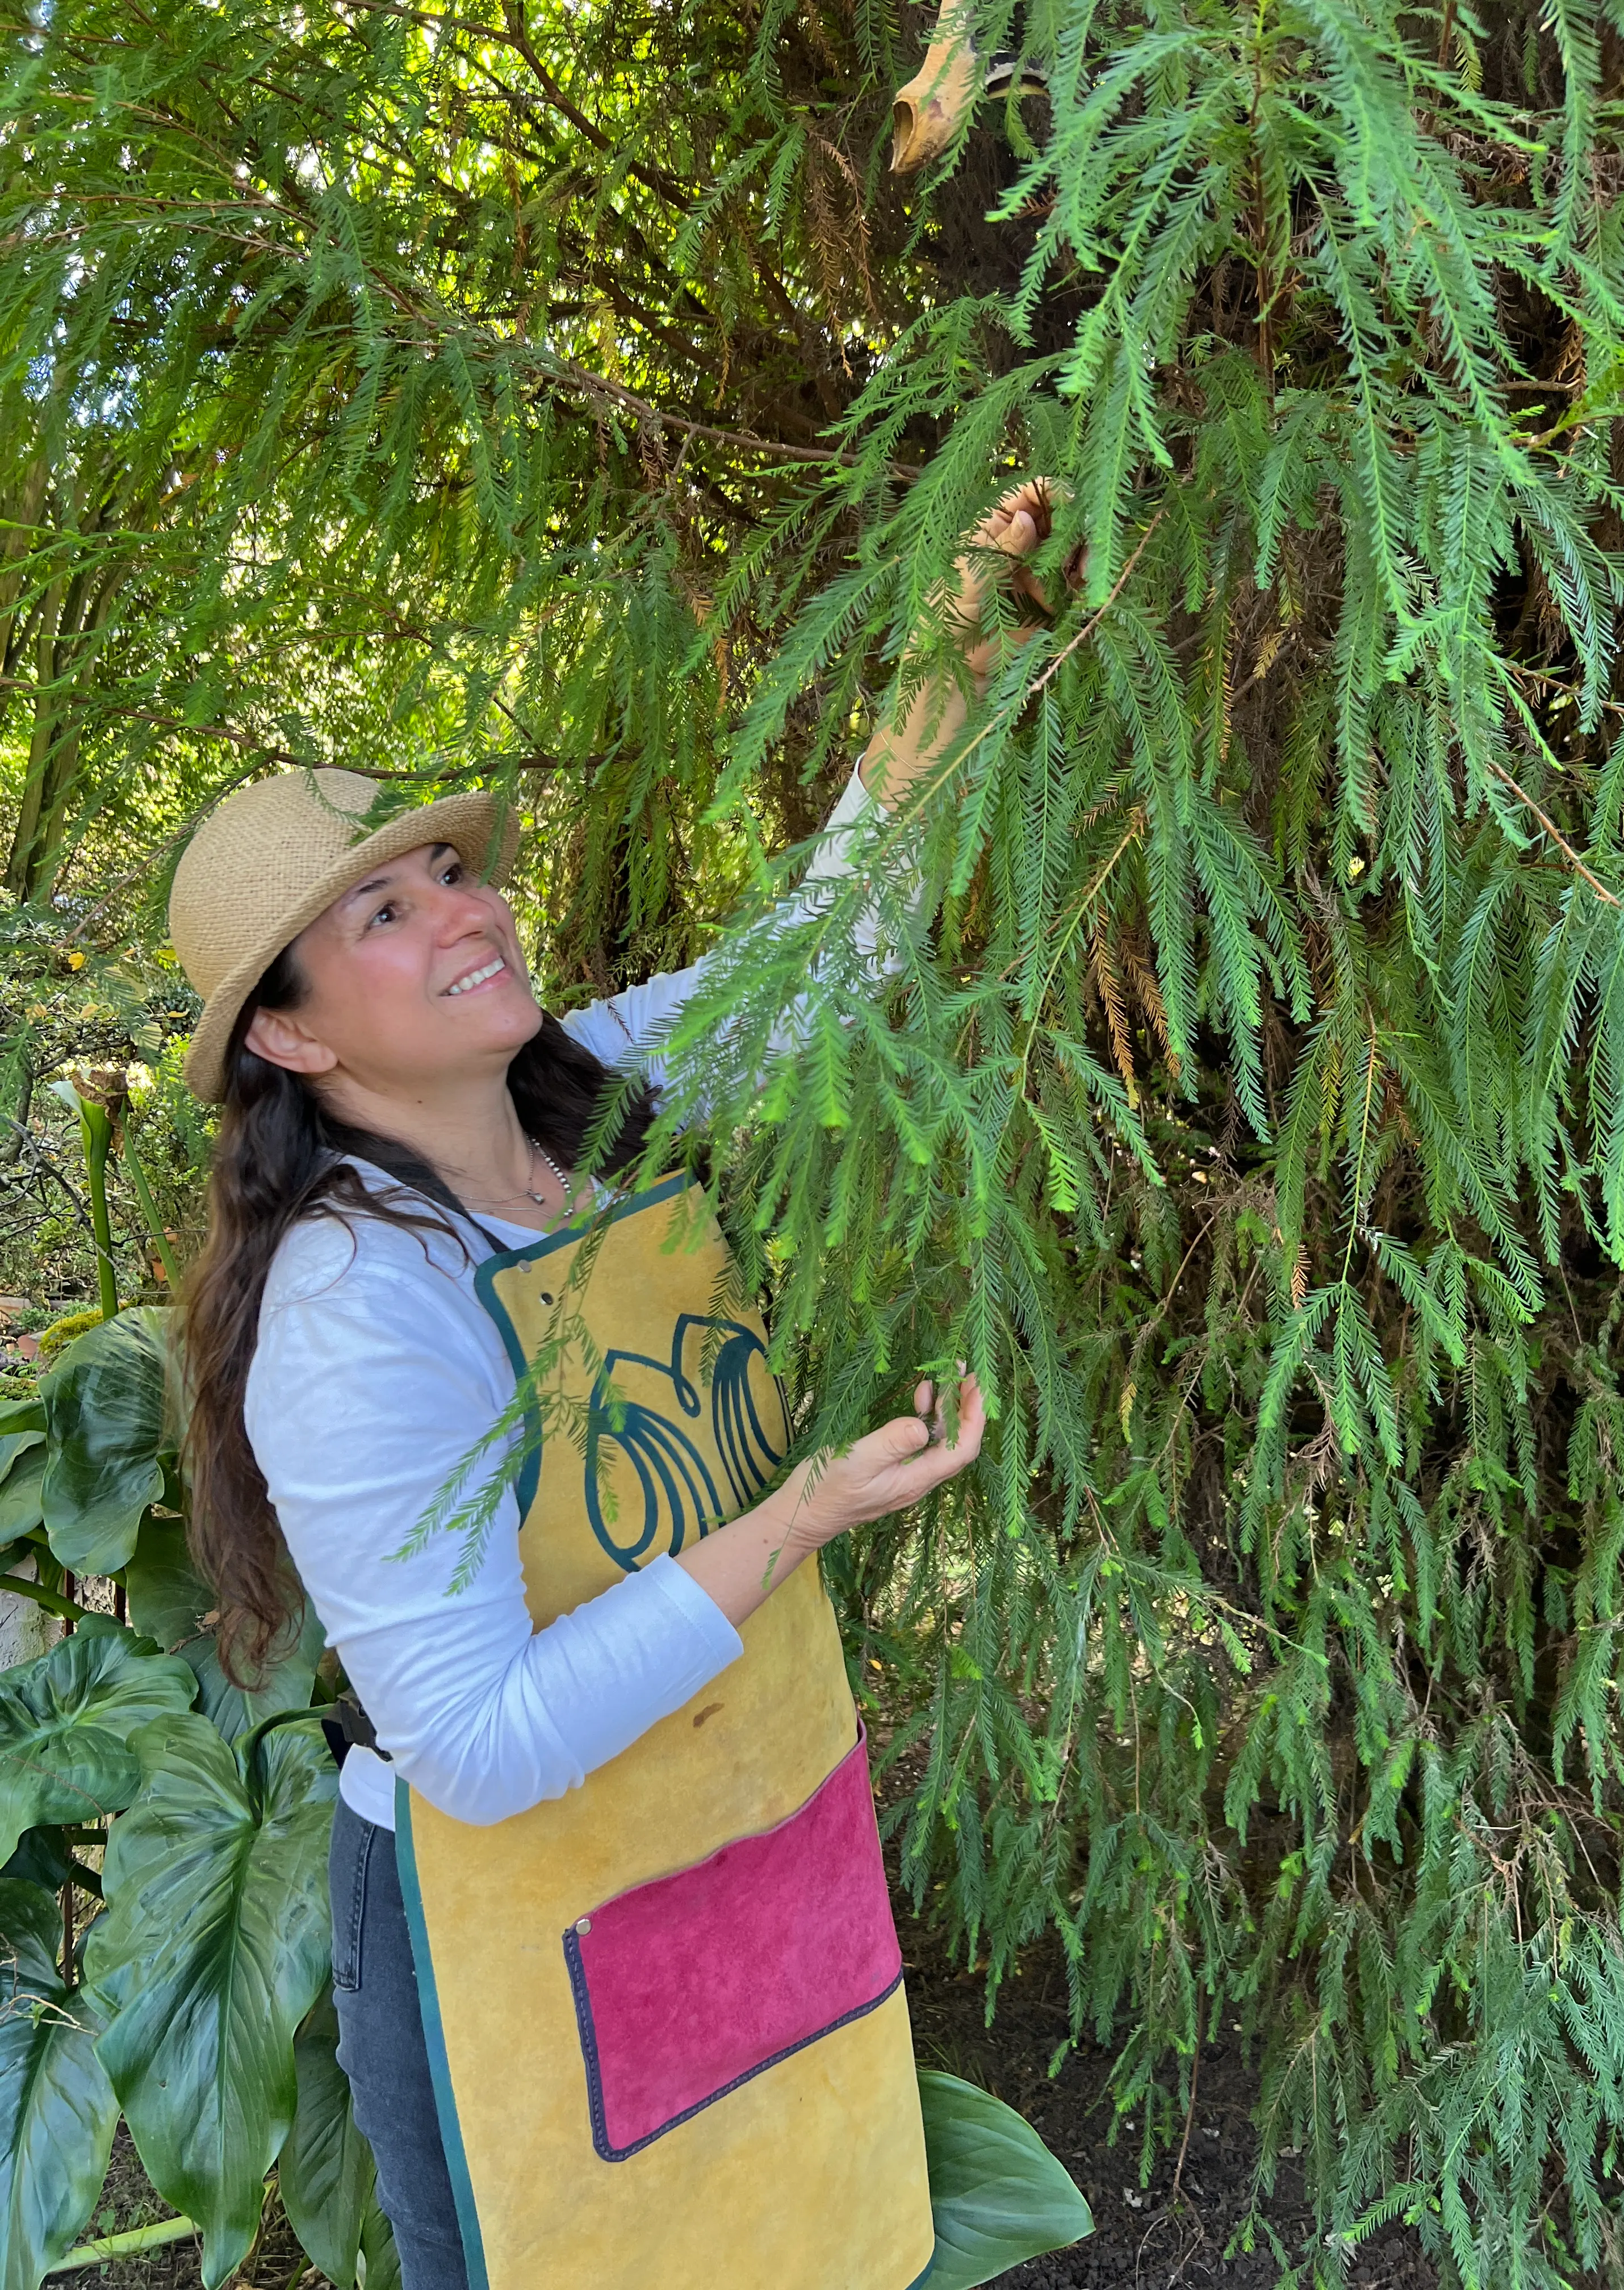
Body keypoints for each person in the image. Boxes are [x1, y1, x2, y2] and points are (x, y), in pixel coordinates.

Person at [169, 486, 1056, 2290]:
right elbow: (479, 1750)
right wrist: (798, 1518)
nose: (465, 915)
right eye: (386, 916)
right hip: (512, 1921)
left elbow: (837, 946)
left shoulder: (586, 1097)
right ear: (292, 1034)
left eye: (454, 876)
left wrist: (943, 661)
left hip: (730, 1816)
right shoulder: (356, 1305)